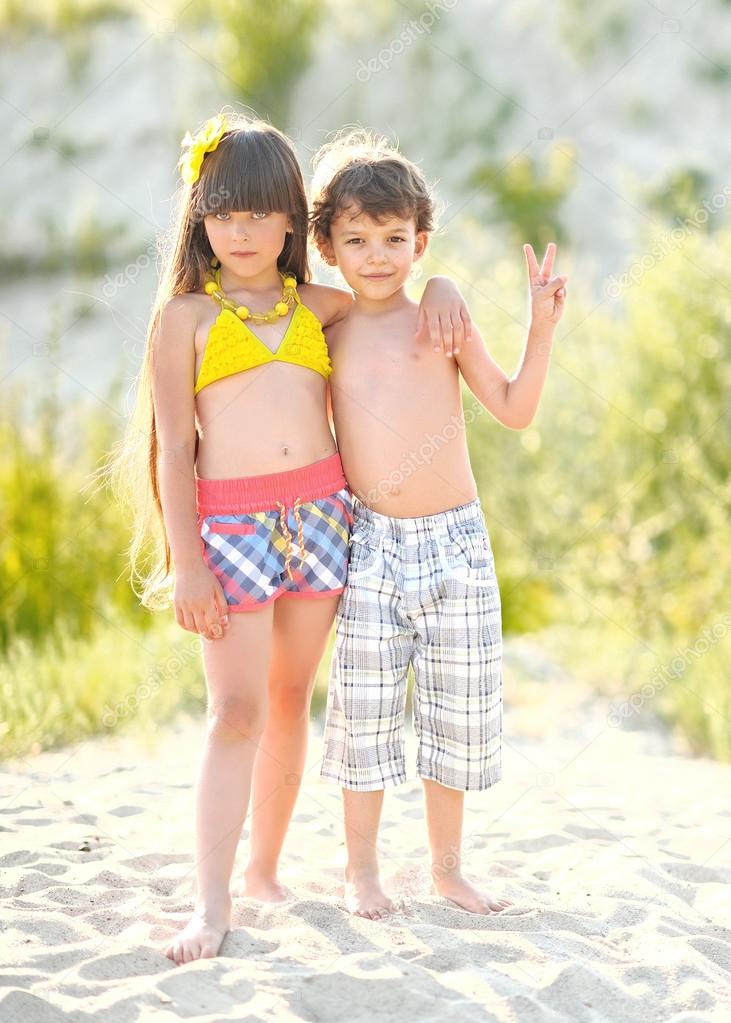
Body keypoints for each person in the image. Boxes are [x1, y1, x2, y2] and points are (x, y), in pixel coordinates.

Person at [108, 110, 470, 963]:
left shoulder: (321, 304)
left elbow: (399, 297)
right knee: (233, 710)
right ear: (200, 220)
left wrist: (446, 287)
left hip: (321, 519)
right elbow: (172, 450)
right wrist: (186, 560)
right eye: (222, 212)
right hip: (230, 530)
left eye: (259, 212)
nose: (240, 230)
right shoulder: (185, 320)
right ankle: (211, 902)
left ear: (289, 223)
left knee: (287, 700)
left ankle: (265, 870)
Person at [309, 130, 568, 919]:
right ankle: (361, 871)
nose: (376, 256)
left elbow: (515, 411)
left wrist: (539, 327)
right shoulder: (325, 325)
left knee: (455, 712)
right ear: (326, 247)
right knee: (364, 712)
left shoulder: (442, 322)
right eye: (355, 240)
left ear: (420, 243)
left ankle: (446, 869)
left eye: (394, 239)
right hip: (371, 544)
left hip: (455, 541)